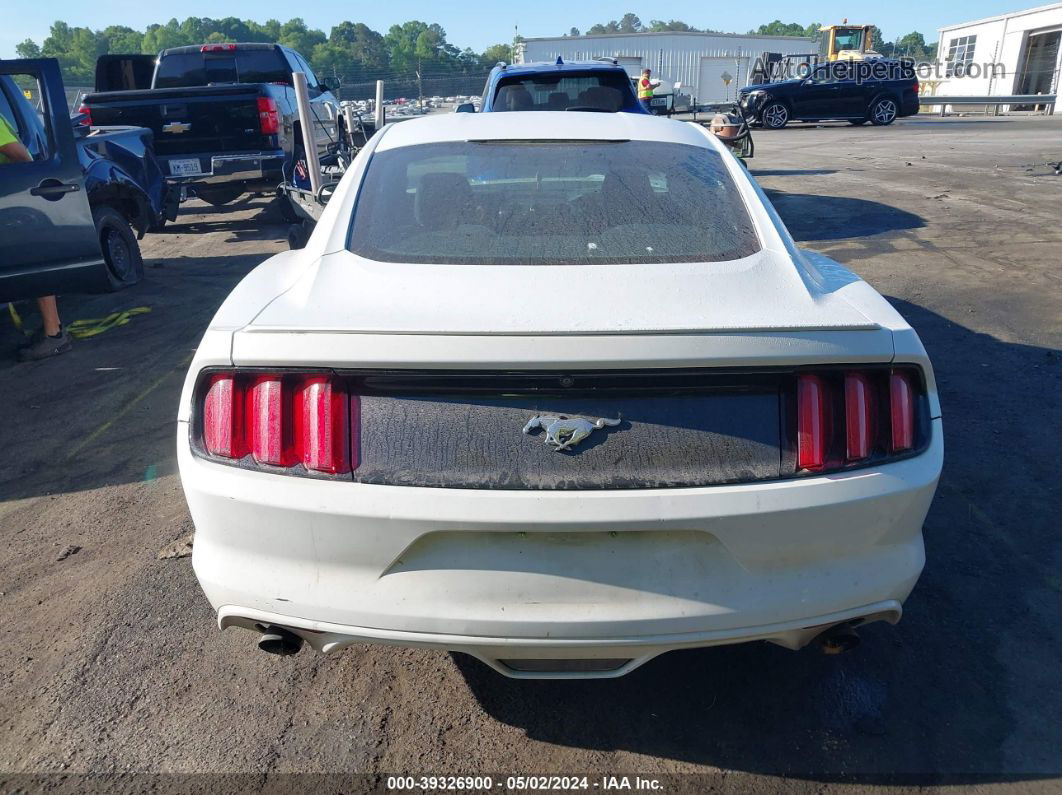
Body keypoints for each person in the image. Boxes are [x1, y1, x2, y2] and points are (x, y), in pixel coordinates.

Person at [0, 112, 71, 361]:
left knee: (33, 261)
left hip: (9, 201)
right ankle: (53, 333)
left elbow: (21, 158)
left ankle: (54, 335)